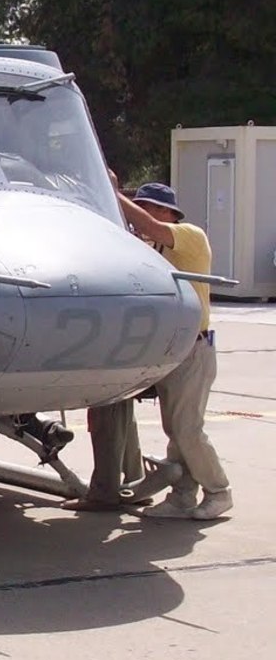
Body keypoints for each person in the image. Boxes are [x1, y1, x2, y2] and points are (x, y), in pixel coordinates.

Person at [116, 181, 232, 521]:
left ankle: (219, 490)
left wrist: (115, 195)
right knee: (176, 428)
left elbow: (150, 227)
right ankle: (183, 495)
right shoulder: (157, 249)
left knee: (188, 428)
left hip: (195, 347)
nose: (143, 217)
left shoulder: (190, 236)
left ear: (168, 212)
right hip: (172, 347)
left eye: (148, 207)